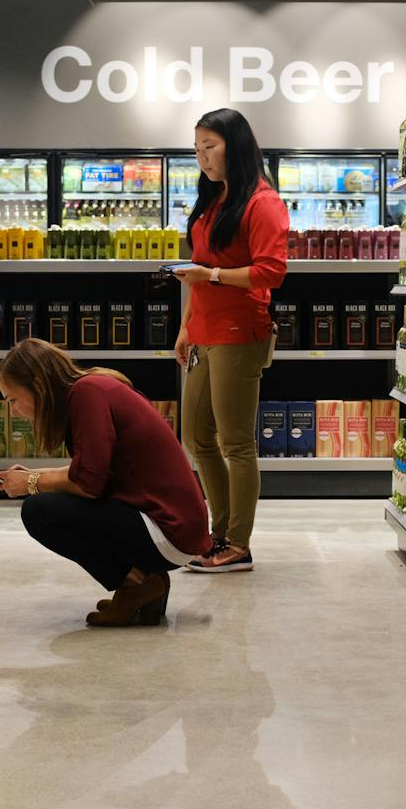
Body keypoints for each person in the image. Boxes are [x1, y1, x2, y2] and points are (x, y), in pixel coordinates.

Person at [0, 338, 211, 627]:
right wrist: (32, 475)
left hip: (168, 530)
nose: (13, 411)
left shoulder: (87, 394)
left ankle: (138, 584)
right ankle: (141, 585)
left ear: (38, 384)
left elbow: (87, 484)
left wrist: (31, 482)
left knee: (38, 511)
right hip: (173, 523)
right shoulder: (93, 386)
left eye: (12, 399)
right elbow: (93, 470)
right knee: (46, 501)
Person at [173, 108, 288, 573]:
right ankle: (217, 533)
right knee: (197, 437)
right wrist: (185, 326)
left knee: (236, 442)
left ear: (235, 146)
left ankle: (237, 544)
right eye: (197, 148)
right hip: (203, 333)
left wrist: (213, 275)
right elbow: (197, 271)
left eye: (211, 146)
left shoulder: (263, 202)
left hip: (240, 333)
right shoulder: (213, 199)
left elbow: (271, 272)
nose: (202, 156)